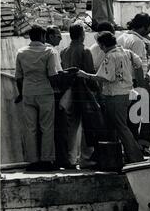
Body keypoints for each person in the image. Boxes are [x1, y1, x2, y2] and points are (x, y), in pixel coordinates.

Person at [77, 31, 144, 163]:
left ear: (102, 44)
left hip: (115, 95)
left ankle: (135, 157)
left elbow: (105, 77)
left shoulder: (110, 56)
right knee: (116, 127)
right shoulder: (126, 52)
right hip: (126, 93)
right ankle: (118, 157)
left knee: (120, 127)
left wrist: (85, 75)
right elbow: (139, 63)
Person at [14, 24, 60, 171]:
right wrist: (57, 90)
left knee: (30, 128)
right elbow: (52, 74)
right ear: (43, 36)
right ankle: (46, 160)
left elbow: (18, 77)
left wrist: (21, 93)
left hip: (28, 92)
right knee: (46, 127)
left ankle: (32, 161)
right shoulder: (49, 51)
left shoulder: (21, 52)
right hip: (45, 92)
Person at [118, 13, 150, 152]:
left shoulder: (122, 37)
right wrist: (142, 85)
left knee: (132, 116)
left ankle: (132, 146)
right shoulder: (137, 42)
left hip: (125, 82)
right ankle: (141, 146)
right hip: (138, 81)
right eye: (149, 27)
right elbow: (137, 65)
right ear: (143, 27)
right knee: (147, 116)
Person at [60, 23, 102, 168]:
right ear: (82, 34)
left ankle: (70, 159)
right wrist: (97, 90)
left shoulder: (64, 51)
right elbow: (89, 73)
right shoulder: (85, 51)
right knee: (88, 125)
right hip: (83, 91)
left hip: (68, 91)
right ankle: (86, 158)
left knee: (71, 126)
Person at [45, 25, 72, 169]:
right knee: (61, 128)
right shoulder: (52, 52)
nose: (61, 38)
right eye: (57, 35)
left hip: (42, 94)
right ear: (49, 36)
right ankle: (62, 159)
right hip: (55, 94)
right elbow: (57, 75)